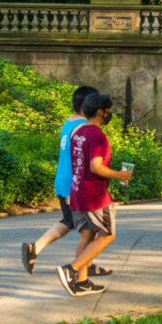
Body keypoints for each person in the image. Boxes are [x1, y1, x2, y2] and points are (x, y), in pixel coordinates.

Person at [21, 86, 112, 279]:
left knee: (72, 222)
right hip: (76, 183)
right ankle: (79, 268)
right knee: (89, 227)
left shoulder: (69, 121)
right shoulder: (84, 127)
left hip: (63, 179)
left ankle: (82, 263)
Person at [59, 92, 133, 296]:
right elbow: (96, 167)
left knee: (87, 235)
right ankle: (71, 270)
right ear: (100, 112)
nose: (110, 114)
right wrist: (120, 175)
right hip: (95, 195)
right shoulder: (98, 135)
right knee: (107, 235)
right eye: (108, 110)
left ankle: (81, 282)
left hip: (77, 192)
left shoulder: (78, 131)